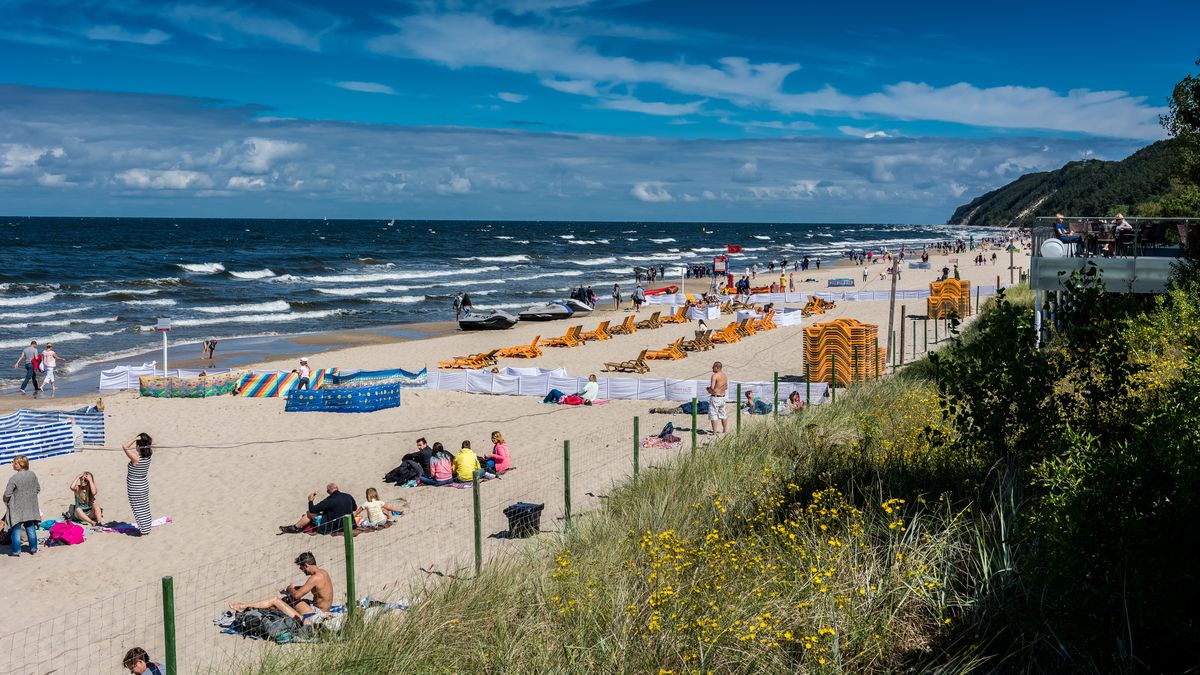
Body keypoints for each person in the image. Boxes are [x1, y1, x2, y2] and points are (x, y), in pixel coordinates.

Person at [229, 551, 333, 626]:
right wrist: (290, 591)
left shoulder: (314, 578)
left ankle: (244, 606)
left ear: (306, 565)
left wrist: (290, 589)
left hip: (316, 616)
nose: (302, 571)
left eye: (302, 568)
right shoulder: (323, 573)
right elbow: (308, 588)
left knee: (276, 600)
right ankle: (258, 608)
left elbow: (297, 595)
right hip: (320, 610)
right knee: (286, 600)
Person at [280, 483, 357, 534]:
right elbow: (354, 508)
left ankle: (295, 528)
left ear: (328, 491)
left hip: (334, 527)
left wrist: (310, 501)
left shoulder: (329, 500)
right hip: (350, 525)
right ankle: (299, 526)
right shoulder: (348, 496)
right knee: (320, 514)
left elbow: (312, 510)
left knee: (309, 513)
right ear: (337, 488)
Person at [4, 455, 40, 556]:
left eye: (15, 463)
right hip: (30, 507)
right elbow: (38, 489)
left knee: (15, 529)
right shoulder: (32, 475)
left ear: (21, 464)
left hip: (17, 508)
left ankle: (16, 551)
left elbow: (7, 494)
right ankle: (33, 548)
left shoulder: (14, 478)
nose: (13, 464)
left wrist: (7, 500)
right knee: (30, 527)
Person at [123, 433, 154, 536]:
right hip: (143, 485)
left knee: (137, 508)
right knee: (144, 507)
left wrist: (136, 438)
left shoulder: (136, 458)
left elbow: (125, 447)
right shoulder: (148, 456)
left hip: (135, 487)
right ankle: (147, 527)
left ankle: (144, 530)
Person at [707, 362, 728, 435]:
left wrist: (708, 389)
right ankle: (725, 430)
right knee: (723, 414)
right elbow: (726, 387)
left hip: (715, 397)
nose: (712, 368)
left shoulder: (714, 376)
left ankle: (714, 432)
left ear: (717, 367)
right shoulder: (724, 375)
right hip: (722, 397)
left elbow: (712, 388)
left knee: (713, 415)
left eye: (713, 367)